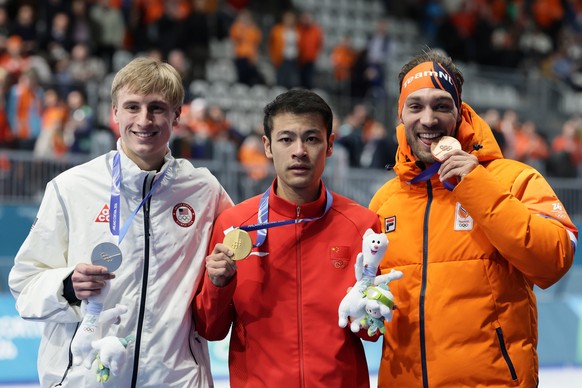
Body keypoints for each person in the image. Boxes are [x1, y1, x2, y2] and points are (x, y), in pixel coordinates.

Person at [9, 57, 233, 387]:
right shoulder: (71, 187)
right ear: (114, 113)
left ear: (177, 115)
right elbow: (25, 283)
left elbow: (241, 250)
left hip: (175, 379)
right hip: (88, 378)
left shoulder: (204, 189)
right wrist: (67, 285)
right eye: (132, 107)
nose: (144, 120)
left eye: (157, 108)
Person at [369, 49, 578, 387]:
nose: (428, 119)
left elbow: (554, 260)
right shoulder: (385, 201)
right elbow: (371, 310)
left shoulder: (515, 179)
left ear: (460, 111)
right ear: (401, 115)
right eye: (415, 106)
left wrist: (476, 185)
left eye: (441, 105)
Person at [194, 89, 381, 387]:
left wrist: (371, 310)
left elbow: (372, 333)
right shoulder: (234, 225)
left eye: (311, 138)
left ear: (330, 145)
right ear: (267, 146)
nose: (299, 151)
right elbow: (210, 328)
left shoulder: (362, 225)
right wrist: (218, 285)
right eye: (286, 139)